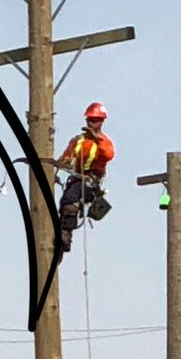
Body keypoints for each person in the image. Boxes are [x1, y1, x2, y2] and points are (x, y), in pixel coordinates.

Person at [56, 101, 115, 250]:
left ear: (101, 122)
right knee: (65, 202)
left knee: (71, 198)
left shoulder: (104, 142)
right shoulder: (78, 140)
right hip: (76, 179)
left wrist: (97, 139)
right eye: (89, 120)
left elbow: (108, 155)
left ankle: (65, 235)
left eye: (95, 120)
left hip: (90, 182)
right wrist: (63, 162)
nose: (91, 123)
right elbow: (66, 157)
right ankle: (61, 233)